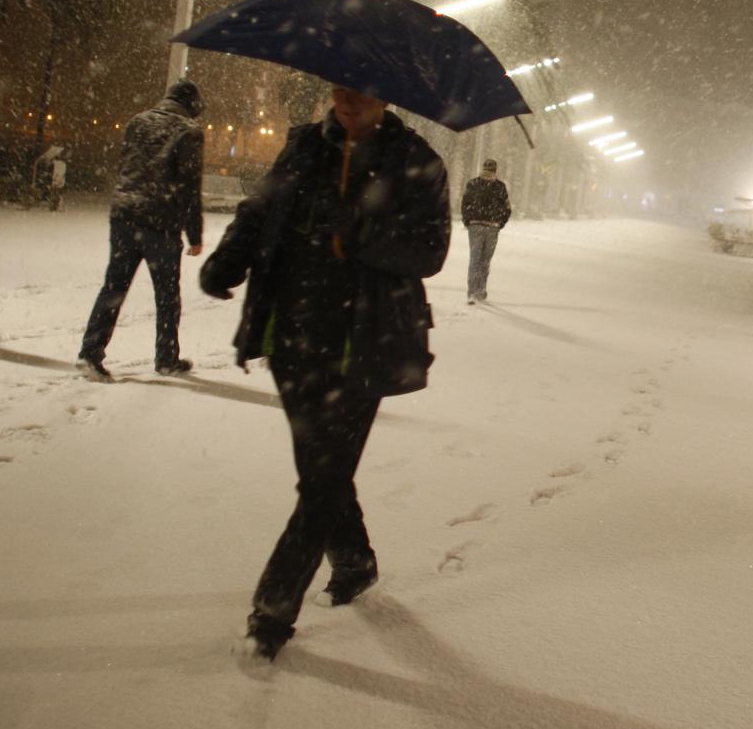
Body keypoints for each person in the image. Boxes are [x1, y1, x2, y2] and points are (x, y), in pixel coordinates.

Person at [200, 85, 450, 661]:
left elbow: (429, 252)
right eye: (340, 88)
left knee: (321, 481)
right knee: (322, 469)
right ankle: (356, 561)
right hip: (292, 334)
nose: (347, 100)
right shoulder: (304, 148)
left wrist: (359, 231)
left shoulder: (417, 162)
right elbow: (260, 209)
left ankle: (273, 610)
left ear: (386, 96)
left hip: (363, 342)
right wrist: (228, 258)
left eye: (361, 92)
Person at [77, 79, 205, 380]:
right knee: (167, 294)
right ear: (192, 105)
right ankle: (166, 358)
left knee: (113, 288)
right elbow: (189, 186)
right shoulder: (189, 131)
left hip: (124, 216)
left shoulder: (138, 122)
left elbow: (127, 166)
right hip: (160, 224)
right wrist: (195, 234)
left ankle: (90, 353)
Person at [460, 157, 510, 304]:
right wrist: (500, 222)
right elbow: (507, 208)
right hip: (492, 227)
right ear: (495, 170)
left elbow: (465, 203)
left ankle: (472, 292)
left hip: (475, 226)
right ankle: (480, 290)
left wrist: (468, 220)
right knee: (485, 261)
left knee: (475, 259)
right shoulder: (500, 187)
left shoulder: (473, 184)